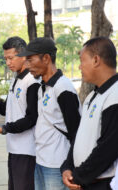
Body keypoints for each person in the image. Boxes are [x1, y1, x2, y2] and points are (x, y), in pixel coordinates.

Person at [17, 37, 81, 190]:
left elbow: (76, 131)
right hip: (41, 160)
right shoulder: (43, 87)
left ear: (46, 58)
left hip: (57, 165)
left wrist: (69, 166)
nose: (27, 65)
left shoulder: (63, 88)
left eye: (30, 60)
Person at [0, 36, 40, 190]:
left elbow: (31, 118)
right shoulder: (16, 79)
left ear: (24, 55)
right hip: (14, 148)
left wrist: (2, 129)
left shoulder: (32, 82)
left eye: (11, 58)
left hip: (27, 150)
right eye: (5, 59)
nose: (8, 63)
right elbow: (9, 109)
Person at [61, 37, 118, 190]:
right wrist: (67, 167)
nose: (79, 67)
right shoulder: (93, 96)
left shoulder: (115, 95)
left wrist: (78, 177)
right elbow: (80, 137)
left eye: (82, 61)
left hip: (102, 184)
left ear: (96, 60)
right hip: (84, 181)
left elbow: (108, 148)